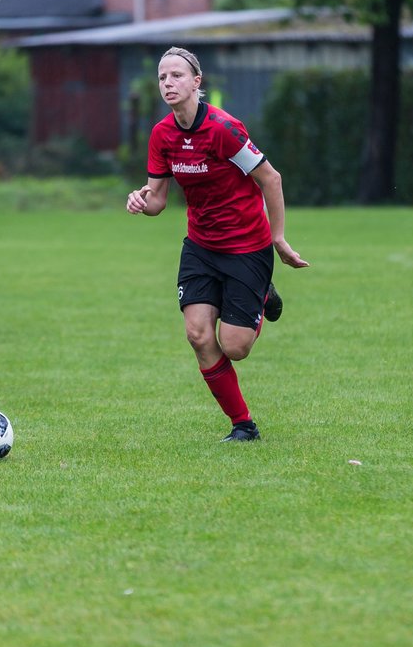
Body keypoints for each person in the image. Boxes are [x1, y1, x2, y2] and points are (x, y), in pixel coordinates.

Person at [126, 46, 310, 442]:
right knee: (197, 335)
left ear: (196, 82)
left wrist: (278, 238)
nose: (168, 83)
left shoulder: (224, 129)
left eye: (177, 75)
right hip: (201, 247)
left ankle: (262, 295)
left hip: (247, 247)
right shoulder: (162, 135)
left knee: (235, 346)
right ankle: (243, 425)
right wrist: (141, 199)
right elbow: (158, 200)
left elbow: (270, 179)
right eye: (162, 77)